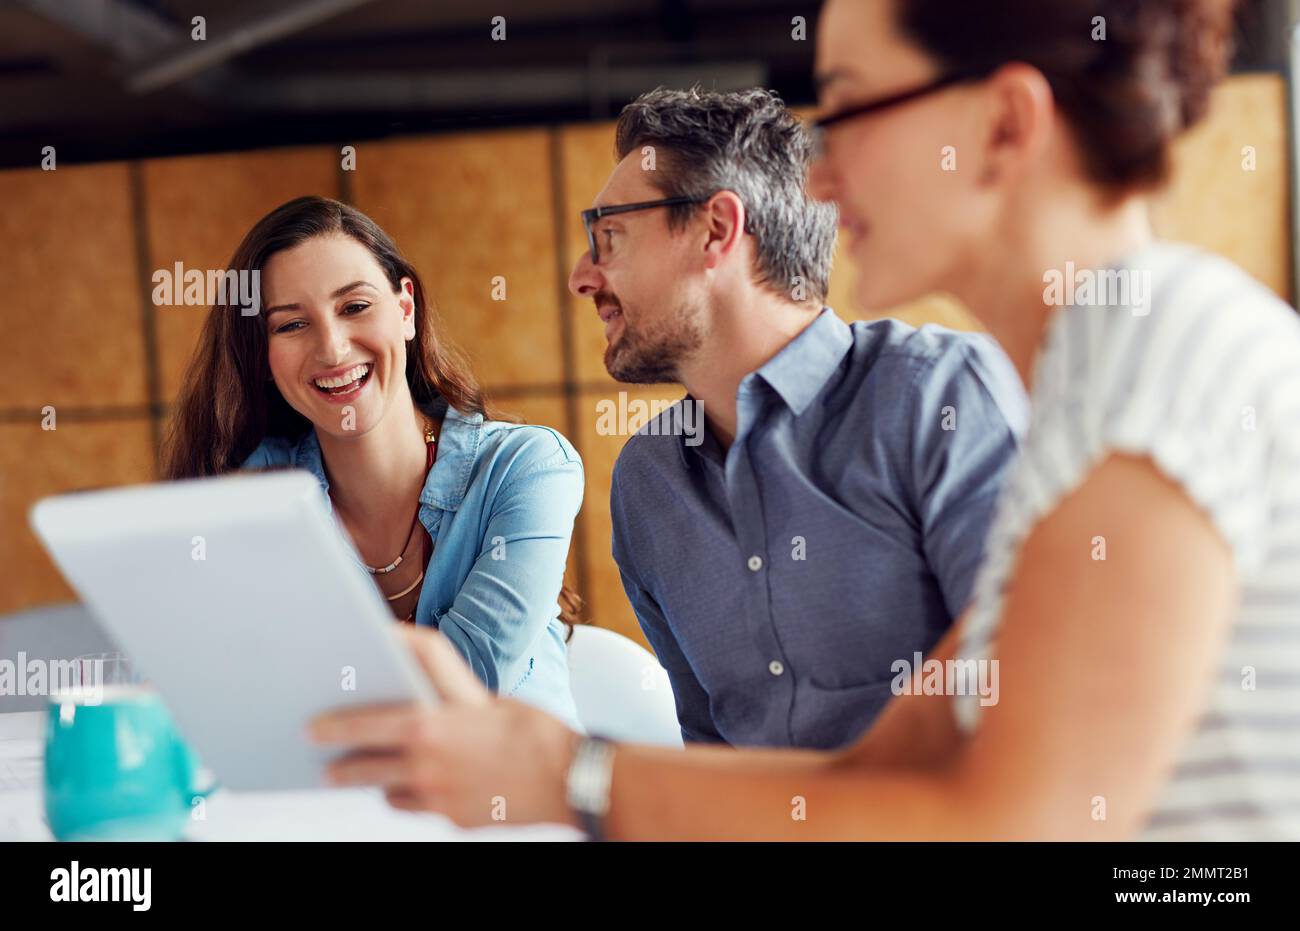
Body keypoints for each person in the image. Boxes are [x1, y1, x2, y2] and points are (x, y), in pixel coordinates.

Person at [310, 0, 1300, 840]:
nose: (819, 177)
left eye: (857, 104)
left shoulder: (1160, 352)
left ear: (1003, 125)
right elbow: (883, 769)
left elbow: (1005, 822)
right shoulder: (1082, 392)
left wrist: (567, 773)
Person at [573, 86, 1026, 749]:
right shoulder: (647, 482)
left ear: (716, 230)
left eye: (607, 236)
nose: (583, 276)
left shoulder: (939, 398)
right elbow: (711, 746)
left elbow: (1023, 697)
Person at [163, 195, 584, 728]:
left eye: (355, 307)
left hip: (514, 806)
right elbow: (200, 685)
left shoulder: (528, 468)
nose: (333, 349)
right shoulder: (257, 492)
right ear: (262, 355)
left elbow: (467, 679)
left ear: (405, 309)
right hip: (337, 807)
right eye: (291, 325)